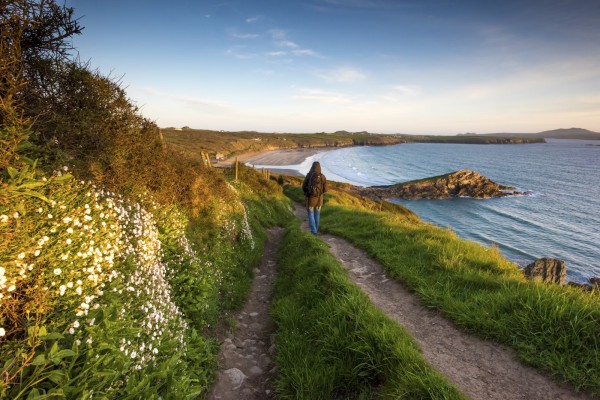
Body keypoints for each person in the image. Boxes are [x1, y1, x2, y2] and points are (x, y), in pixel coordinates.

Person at [302, 161, 327, 235]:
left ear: (312, 167)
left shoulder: (309, 175)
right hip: (319, 199)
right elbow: (325, 189)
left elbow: (303, 187)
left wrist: (307, 193)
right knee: (317, 214)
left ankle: (314, 231)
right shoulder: (322, 176)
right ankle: (315, 230)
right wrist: (320, 193)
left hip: (310, 199)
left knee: (310, 214)